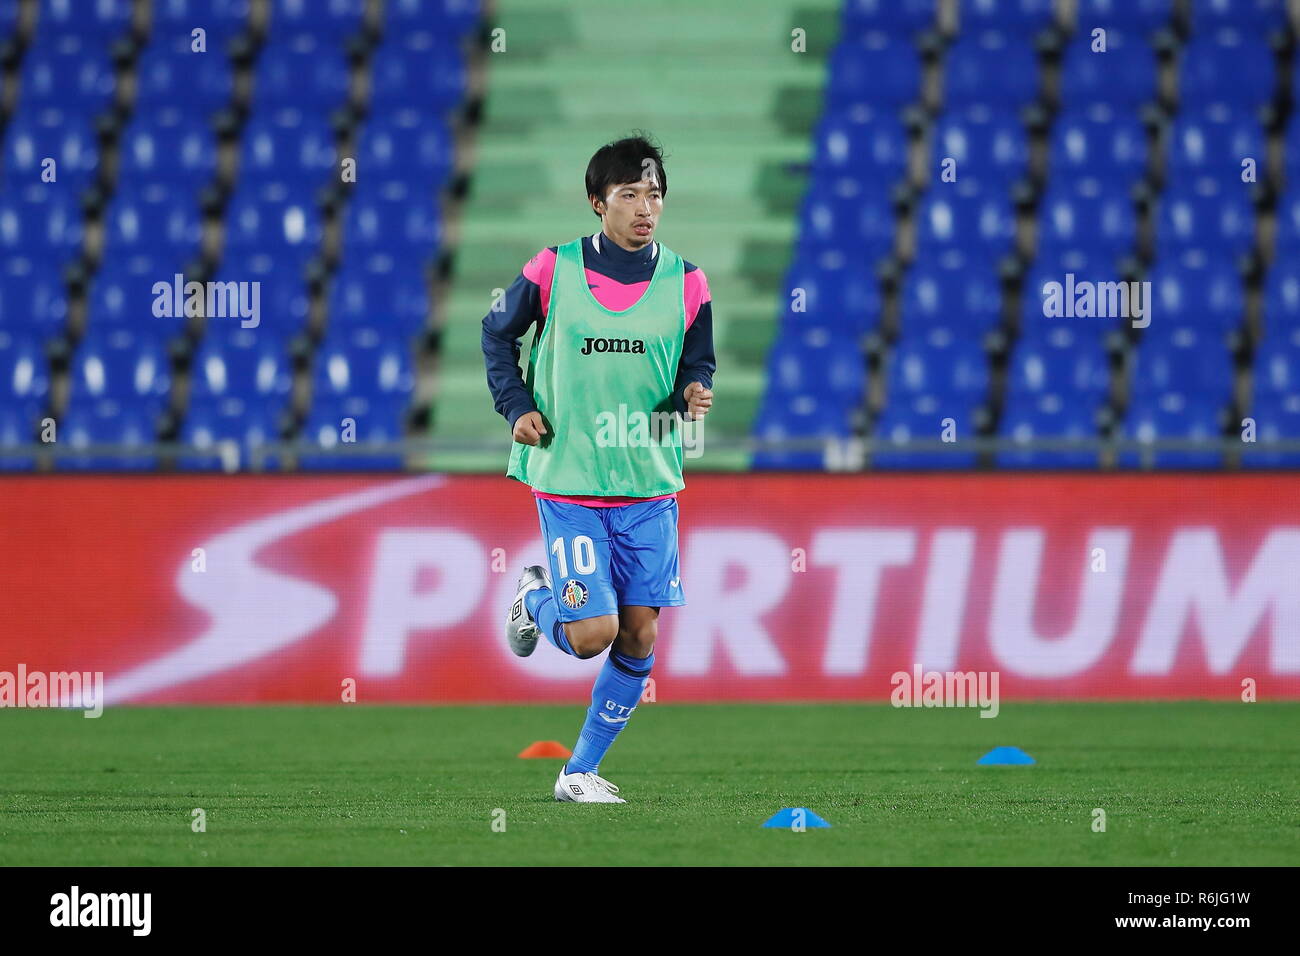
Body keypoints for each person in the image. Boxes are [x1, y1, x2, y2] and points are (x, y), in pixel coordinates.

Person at [481, 133, 716, 802]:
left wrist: (692, 393)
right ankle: (534, 599)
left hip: (648, 484)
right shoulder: (551, 271)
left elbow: (696, 365)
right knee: (592, 636)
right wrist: (515, 404)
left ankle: (577, 771)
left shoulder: (689, 283)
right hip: (571, 479)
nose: (646, 208)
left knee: (640, 634)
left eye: (656, 196)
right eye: (630, 195)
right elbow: (496, 332)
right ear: (597, 202)